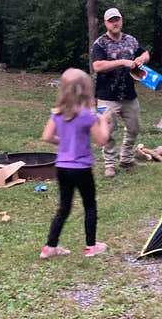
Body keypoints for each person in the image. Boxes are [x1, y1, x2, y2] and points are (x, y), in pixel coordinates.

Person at [39, 68, 111, 259]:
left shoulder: (57, 113)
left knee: (64, 207)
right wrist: (104, 121)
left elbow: (46, 137)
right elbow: (102, 140)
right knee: (89, 205)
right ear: (86, 90)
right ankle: (91, 246)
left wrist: (63, 142)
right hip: (81, 169)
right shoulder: (87, 116)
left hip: (62, 168)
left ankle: (50, 247)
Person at [90, 7, 150, 178]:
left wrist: (141, 59)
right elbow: (97, 66)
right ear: (106, 23)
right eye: (111, 20)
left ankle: (126, 159)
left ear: (121, 21)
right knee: (108, 131)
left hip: (129, 95)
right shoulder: (100, 43)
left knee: (134, 127)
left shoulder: (131, 40)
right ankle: (109, 164)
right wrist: (122, 62)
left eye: (117, 19)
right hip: (107, 96)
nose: (115, 23)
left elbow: (145, 53)